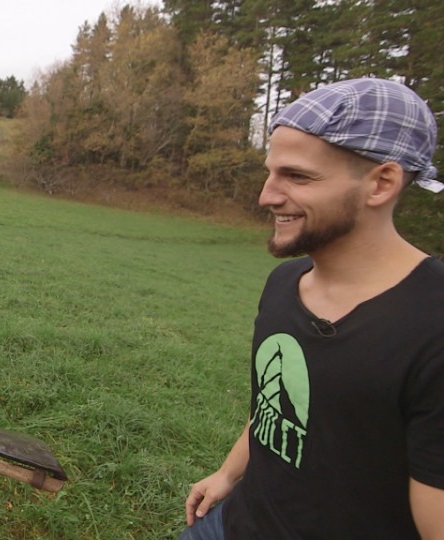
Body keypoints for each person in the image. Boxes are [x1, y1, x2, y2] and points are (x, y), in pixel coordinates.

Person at [179, 78, 444, 539]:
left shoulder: (433, 326)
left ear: (382, 183)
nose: (267, 195)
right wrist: (228, 474)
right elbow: (273, 404)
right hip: (230, 526)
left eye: (297, 176)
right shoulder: (285, 283)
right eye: (271, 171)